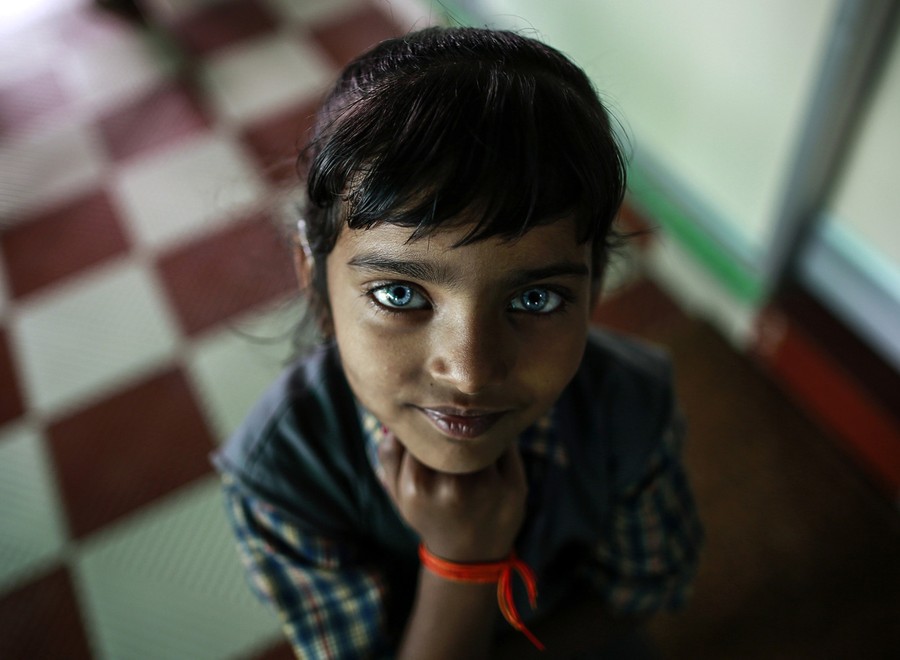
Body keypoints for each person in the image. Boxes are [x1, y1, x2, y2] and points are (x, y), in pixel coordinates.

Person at [214, 26, 703, 659]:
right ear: (317, 284)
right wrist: (461, 563)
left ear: (595, 285)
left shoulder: (633, 406)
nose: (470, 373)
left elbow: (646, 587)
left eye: (535, 299)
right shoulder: (283, 477)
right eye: (398, 295)